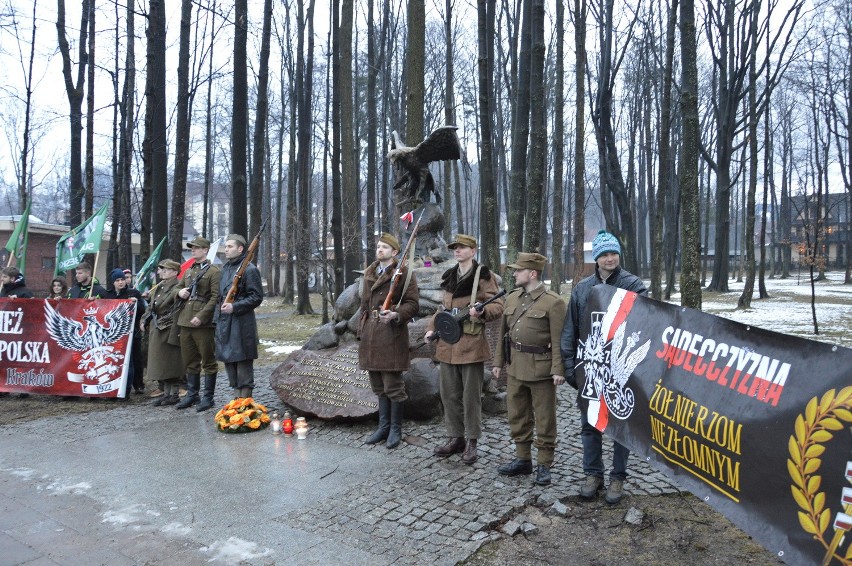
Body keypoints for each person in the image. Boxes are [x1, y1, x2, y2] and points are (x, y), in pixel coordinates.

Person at [560, 230, 648, 504]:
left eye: (613, 253)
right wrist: (569, 365)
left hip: (620, 368)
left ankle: (618, 478)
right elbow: (570, 329)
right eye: (604, 254)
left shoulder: (633, 285)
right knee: (590, 423)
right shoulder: (583, 289)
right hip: (590, 367)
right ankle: (592, 474)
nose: (610, 259)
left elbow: (645, 325)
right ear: (596, 258)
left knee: (621, 427)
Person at [424, 234, 504, 465]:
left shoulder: (483, 276)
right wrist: (431, 329)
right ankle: (455, 437)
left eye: (462, 247)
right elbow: (442, 308)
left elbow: (498, 305)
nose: (457, 251)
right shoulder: (450, 276)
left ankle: (472, 441)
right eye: (455, 248)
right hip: (447, 345)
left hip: (470, 344)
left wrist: (481, 312)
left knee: (471, 398)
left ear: (473, 250)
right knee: (449, 395)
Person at [492, 252, 566, 486]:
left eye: (518, 270)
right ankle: (523, 459)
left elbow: (559, 340)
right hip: (515, 367)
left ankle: (544, 464)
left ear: (532, 273)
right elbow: (503, 335)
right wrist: (498, 363)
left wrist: (558, 369)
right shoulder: (512, 298)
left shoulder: (553, 302)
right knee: (517, 414)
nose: (514, 274)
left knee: (544, 418)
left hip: (541, 370)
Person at [360, 233, 420, 449]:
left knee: (393, 386)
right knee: (378, 385)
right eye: (378, 246)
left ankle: (395, 429)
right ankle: (383, 427)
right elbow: (364, 305)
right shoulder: (370, 273)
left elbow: (413, 304)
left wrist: (396, 315)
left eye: (384, 247)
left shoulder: (403, 274)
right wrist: (362, 329)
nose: (380, 250)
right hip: (370, 335)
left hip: (391, 334)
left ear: (394, 252)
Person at [174, 237, 221, 411]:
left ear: (205, 250)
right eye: (192, 248)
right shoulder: (188, 271)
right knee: (190, 360)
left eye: (196, 248)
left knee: (208, 360)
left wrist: (202, 316)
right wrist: (180, 292)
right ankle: (193, 395)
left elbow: (216, 297)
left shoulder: (213, 271)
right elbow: (175, 288)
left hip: (203, 323)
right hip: (185, 320)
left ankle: (208, 398)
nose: (193, 250)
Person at [215, 234, 263, 400]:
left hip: (242, 323)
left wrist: (235, 307)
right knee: (230, 362)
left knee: (242, 363)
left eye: (230, 246)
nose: (226, 249)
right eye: (225, 246)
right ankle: (236, 401)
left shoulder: (249, 270)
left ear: (240, 249)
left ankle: (245, 403)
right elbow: (219, 297)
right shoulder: (226, 269)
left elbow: (256, 297)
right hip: (225, 323)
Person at [140, 260, 185, 406]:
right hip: (157, 328)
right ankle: (166, 394)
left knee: (171, 364)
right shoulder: (159, 287)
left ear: (174, 271)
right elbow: (152, 306)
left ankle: (174, 395)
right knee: (161, 364)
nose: (160, 272)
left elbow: (166, 302)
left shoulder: (177, 286)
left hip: (169, 328)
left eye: (164, 270)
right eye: (161, 269)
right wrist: (143, 319)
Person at [106, 268, 147, 395]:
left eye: (122, 279)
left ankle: (138, 384)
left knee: (135, 359)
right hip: (115, 334)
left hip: (132, 332)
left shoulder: (133, 292)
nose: (120, 282)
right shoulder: (108, 295)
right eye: (117, 280)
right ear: (113, 282)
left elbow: (142, 309)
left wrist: (136, 303)